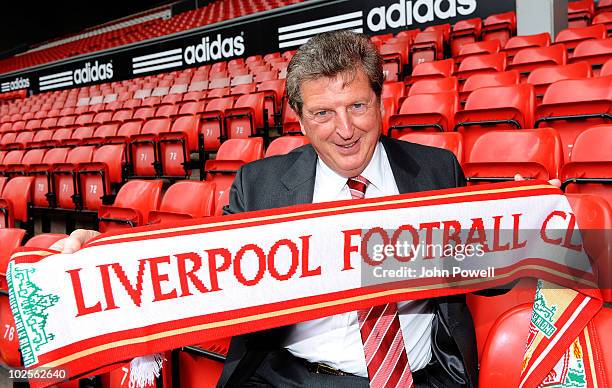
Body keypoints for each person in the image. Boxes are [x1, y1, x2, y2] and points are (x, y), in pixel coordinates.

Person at [56, 30, 556, 387]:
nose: (345, 129)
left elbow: (491, 274)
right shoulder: (261, 184)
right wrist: (103, 257)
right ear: (298, 118)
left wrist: (532, 223)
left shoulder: (436, 171)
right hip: (293, 377)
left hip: (422, 377)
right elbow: (205, 272)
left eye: (358, 106)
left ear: (382, 102)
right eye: (323, 113)